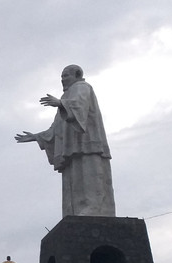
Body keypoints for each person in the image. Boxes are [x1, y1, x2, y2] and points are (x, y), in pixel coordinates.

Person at [15, 64, 115, 217]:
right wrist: (37, 137)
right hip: (73, 148)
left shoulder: (82, 87)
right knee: (75, 180)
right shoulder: (65, 97)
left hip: (87, 144)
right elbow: (57, 128)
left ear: (77, 74)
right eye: (61, 77)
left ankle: (94, 208)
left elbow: (80, 105)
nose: (62, 80)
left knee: (89, 176)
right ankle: (75, 211)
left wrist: (62, 104)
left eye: (65, 76)